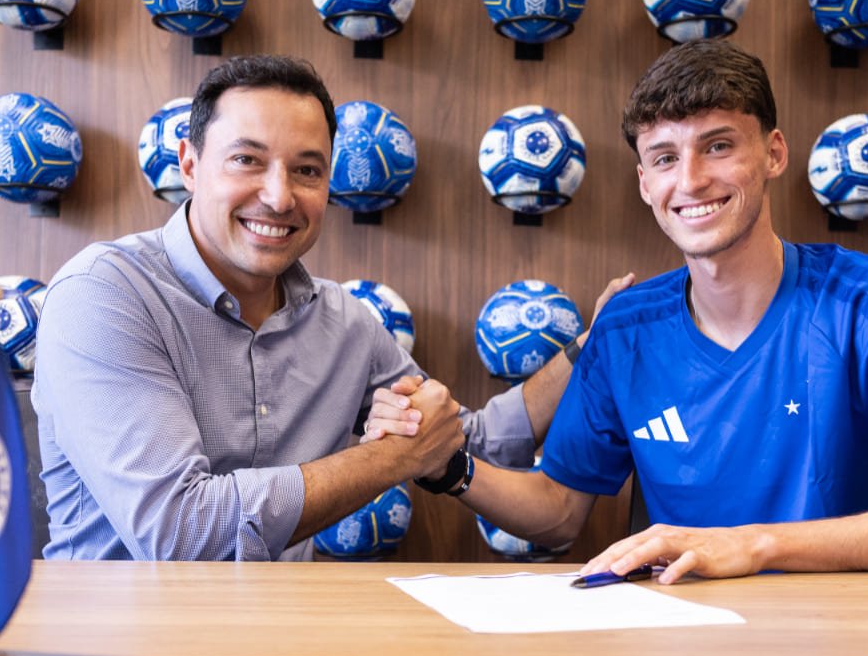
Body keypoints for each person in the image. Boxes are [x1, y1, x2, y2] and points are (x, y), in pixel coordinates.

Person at [365, 39, 868, 583]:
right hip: (671, 633)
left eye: (719, 145)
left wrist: (756, 545)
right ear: (645, 182)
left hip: (830, 631)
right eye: (666, 158)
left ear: (775, 154)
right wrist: (448, 463)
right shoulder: (624, 327)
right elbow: (558, 509)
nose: (692, 179)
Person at [32, 54, 632, 561]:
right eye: (247, 159)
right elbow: (180, 531)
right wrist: (391, 459)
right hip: (115, 649)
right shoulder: (103, 294)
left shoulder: (343, 322)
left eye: (307, 170)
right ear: (190, 165)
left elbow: (462, 439)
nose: (278, 195)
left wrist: (590, 347)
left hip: (288, 640)